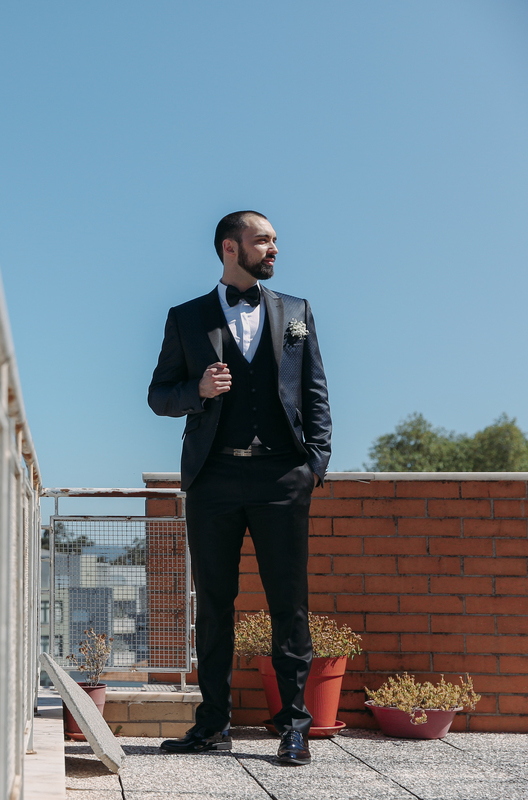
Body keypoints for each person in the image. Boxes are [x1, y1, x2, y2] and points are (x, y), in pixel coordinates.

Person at [147, 210, 330, 766]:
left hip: (282, 477)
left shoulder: (297, 312)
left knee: (288, 605)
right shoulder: (186, 317)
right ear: (231, 248)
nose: (274, 248)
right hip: (215, 478)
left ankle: (294, 725)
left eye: (274, 240)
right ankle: (212, 725)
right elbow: (159, 395)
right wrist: (197, 390)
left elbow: (316, 390)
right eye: (264, 240)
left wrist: (314, 463)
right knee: (215, 606)